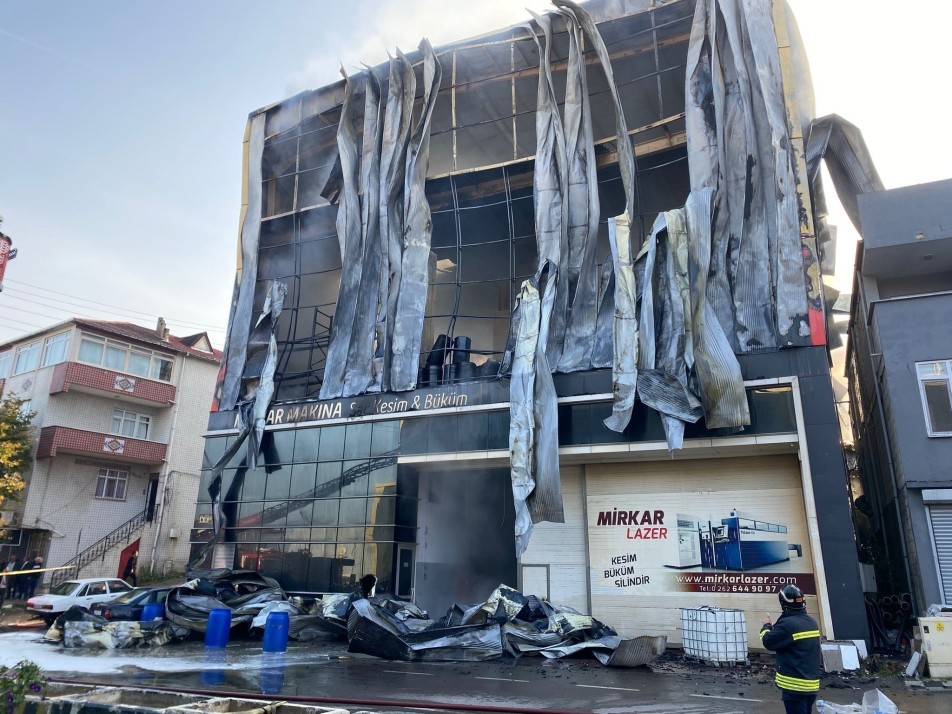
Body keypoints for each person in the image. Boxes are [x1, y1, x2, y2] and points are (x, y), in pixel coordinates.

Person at [760, 584, 822, 714]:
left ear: (783, 603)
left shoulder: (788, 624)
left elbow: (768, 641)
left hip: (795, 686)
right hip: (811, 685)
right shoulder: (811, 622)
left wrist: (766, 626)